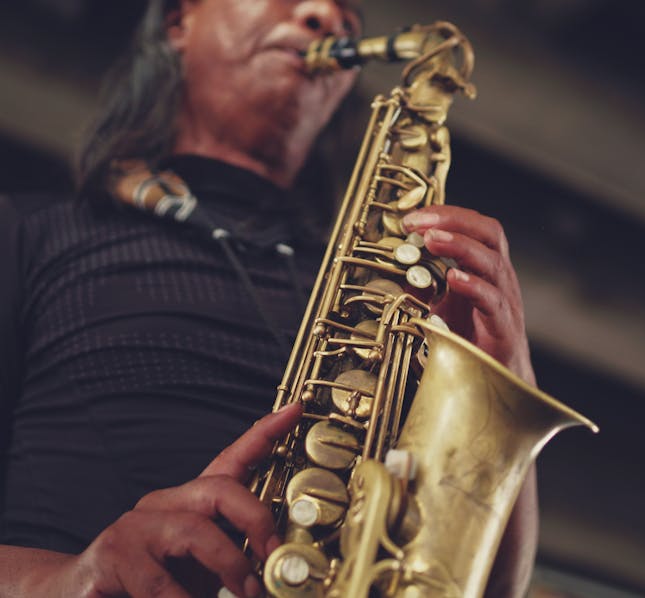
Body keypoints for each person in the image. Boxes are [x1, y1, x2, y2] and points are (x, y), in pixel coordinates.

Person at [0, 1, 538, 597]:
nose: (326, 16)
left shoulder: (389, 295)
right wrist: (72, 579)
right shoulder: (27, 231)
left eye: (348, 14)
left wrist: (503, 369)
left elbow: (483, 585)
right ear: (180, 21)